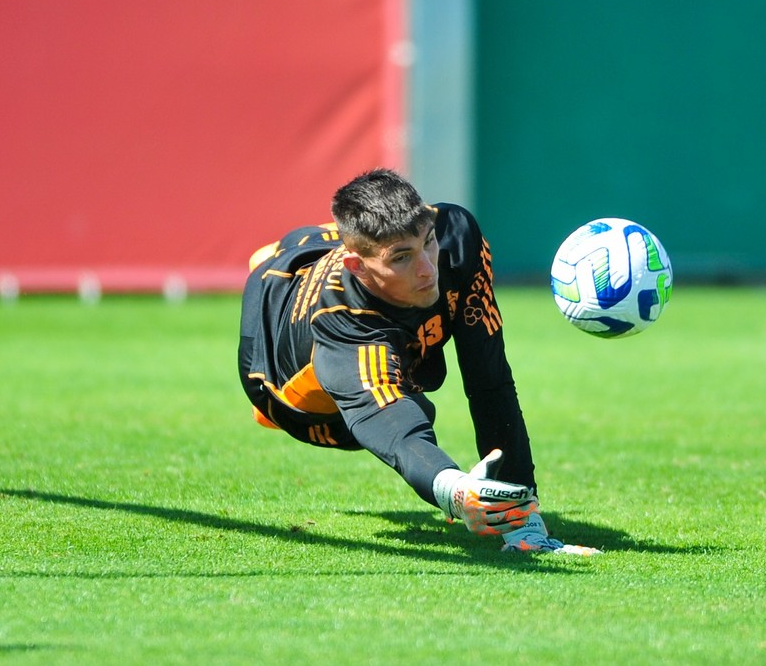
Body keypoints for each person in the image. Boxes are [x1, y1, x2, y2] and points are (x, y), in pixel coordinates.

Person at [238, 169, 598, 555]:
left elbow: (488, 380)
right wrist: (455, 490)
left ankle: (310, 249)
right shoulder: (342, 321)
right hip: (285, 380)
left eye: (428, 243)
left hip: (339, 261)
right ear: (358, 269)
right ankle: (274, 262)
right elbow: (396, 427)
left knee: (365, 249)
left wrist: (524, 521)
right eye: (403, 258)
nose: (428, 269)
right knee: (409, 403)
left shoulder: (455, 235)